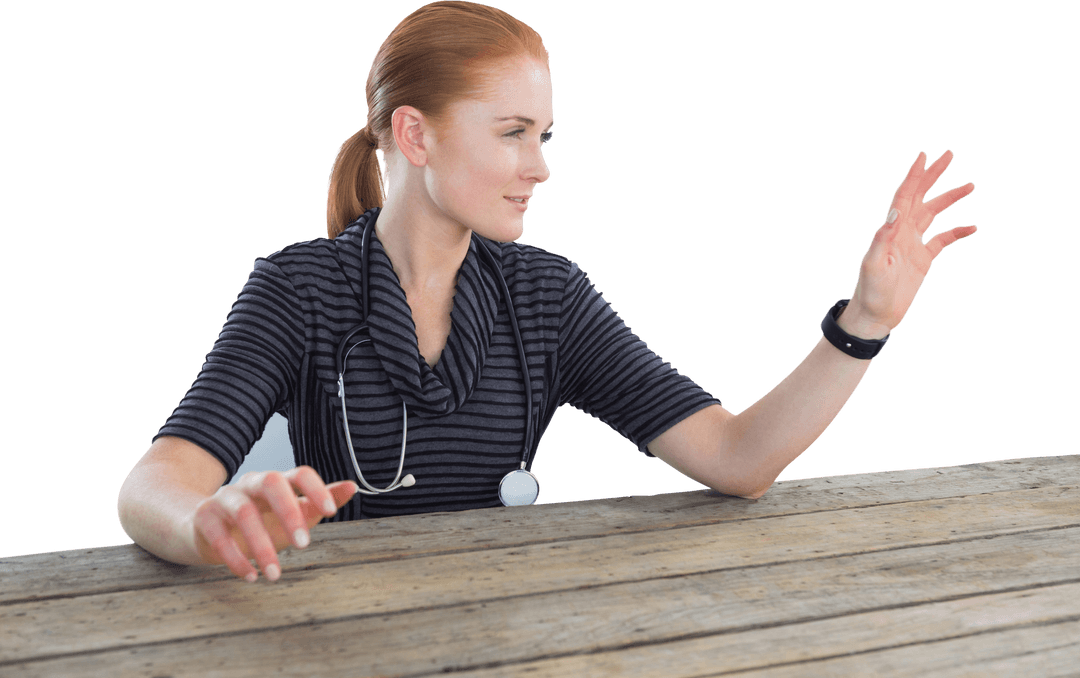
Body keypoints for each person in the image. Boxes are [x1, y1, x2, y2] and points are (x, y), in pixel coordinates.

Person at [117, 1, 978, 585]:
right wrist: (208, 522)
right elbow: (152, 487)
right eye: (514, 133)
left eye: (546, 134)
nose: (542, 167)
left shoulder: (547, 295)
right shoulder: (299, 287)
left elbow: (737, 460)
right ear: (415, 133)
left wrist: (864, 322)